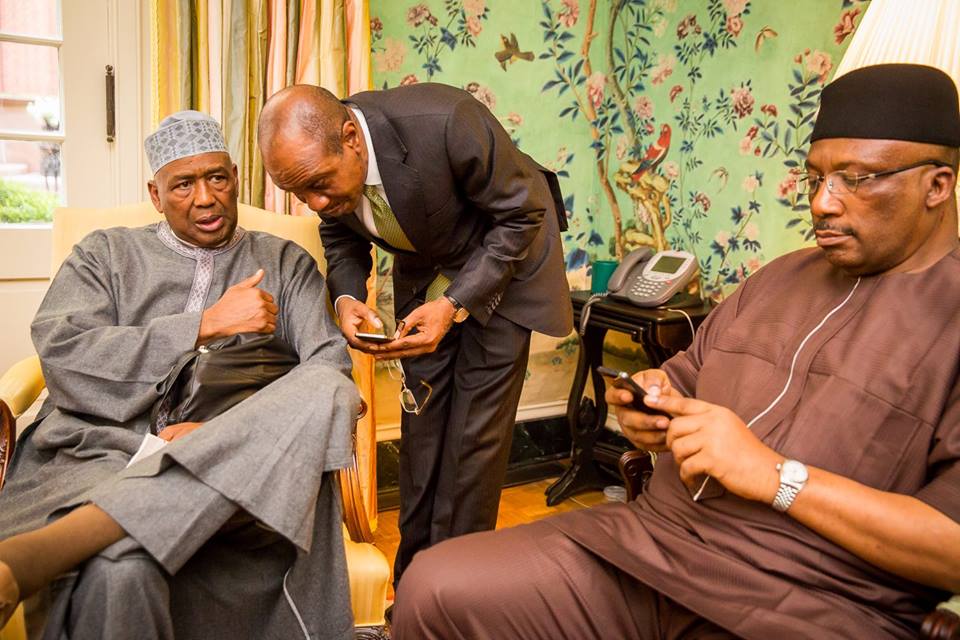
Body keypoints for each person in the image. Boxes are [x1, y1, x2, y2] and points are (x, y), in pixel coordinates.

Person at [391, 63, 960, 640]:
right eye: (815, 178)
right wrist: (650, 404)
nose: (822, 204)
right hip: (653, 548)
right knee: (435, 587)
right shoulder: (780, 278)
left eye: (855, 179)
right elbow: (681, 378)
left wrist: (775, 476)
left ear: (937, 186)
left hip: (810, 600)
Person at [0, 111, 359, 639]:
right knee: (122, 570)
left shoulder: (285, 263)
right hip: (97, 452)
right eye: (183, 184)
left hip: (236, 468)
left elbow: (329, 367)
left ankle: (38, 556)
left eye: (216, 178)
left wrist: (219, 437)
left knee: (328, 389)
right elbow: (63, 354)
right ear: (155, 194)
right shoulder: (104, 254)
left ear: (236, 178)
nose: (205, 198)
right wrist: (203, 325)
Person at [257, 83, 574, 585]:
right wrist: (345, 297)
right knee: (422, 433)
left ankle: (454, 590)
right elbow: (339, 232)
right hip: (431, 271)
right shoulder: (323, 169)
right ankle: (412, 584)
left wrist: (453, 303)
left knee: (472, 443)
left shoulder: (448, 120)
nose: (315, 201)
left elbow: (523, 213)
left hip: (505, 262)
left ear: (351, 138)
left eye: (319, 184)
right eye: (300, 193)